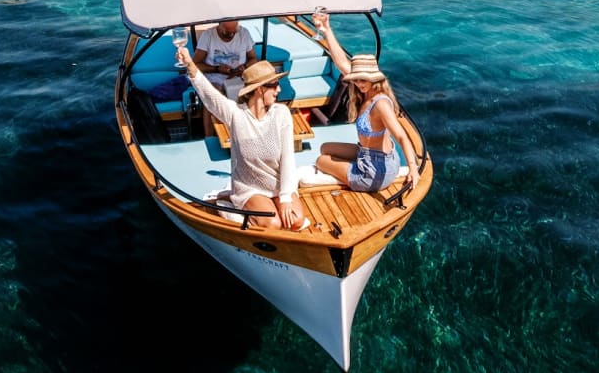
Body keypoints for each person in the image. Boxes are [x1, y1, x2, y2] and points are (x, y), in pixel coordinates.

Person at [177, 46, 308, 231]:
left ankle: (269, 205)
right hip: (249, 187)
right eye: (274, 85)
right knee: (273, 224)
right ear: (260, 89)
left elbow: (288, 158)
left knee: (295, 221)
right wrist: (190, 64)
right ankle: (227, 206)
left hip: (277, 184)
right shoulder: (235, 114)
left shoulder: (282, 113)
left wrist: (285, 197)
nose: (279, 89)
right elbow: (209, 95)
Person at [312, 13, 420, 193]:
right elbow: (341, 63)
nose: (359, 83)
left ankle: (353, 178)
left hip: (373, 172)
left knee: (320, 161)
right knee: (325, 148)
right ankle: (350, 167)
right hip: (367, 154)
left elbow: (401, 136)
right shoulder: (363, 90)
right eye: (357, 79)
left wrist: (413, 168)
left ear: (374, 78)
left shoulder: (380, 104)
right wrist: (326, 30)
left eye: (364, 80)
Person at [192, 20, 257, 135]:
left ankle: (248, 134)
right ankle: (210, 137)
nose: (231, 36)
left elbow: (253, 58)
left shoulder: (244, 34)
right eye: (227, 33)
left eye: (234, 33)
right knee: (212, 96)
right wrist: (217, 69)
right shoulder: (208, 36)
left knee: (252, 95)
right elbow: (195, 65)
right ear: (219, 25)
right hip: (215, 78)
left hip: (238, 78)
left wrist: (245, 66)